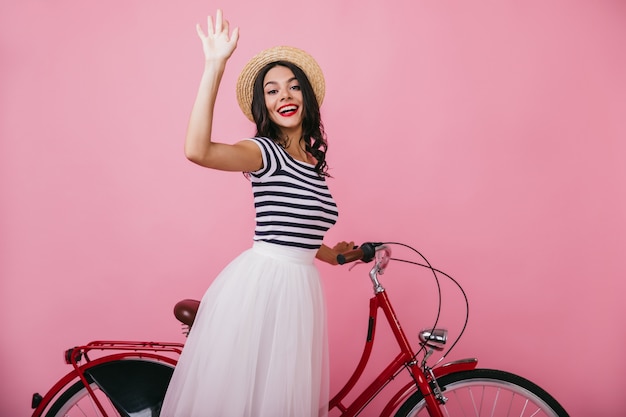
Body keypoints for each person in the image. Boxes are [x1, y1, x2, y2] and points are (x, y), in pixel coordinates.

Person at [160, 9, 353, 417]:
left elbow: (298, 230)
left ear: (307, 97)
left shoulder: (311, 162)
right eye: (272, 90)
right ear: (262, 104)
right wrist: (214, 66)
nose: (284, 96)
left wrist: (336, 254)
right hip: (266, 289)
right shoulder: (264, 152)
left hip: (301, 291)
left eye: (293, 87)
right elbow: (198, 151)